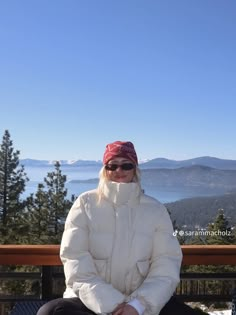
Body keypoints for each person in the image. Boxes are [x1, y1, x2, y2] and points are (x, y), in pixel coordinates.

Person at [37, 141, 205, 315]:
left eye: (126, 165)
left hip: (142, 304)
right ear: (105, 170)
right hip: (91, 301)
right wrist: (114, 305)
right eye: (112, 166)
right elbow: (75, 260)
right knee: (50, 312)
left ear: (135, 169)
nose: (119, 171)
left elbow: (166, 264)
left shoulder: (155, 210)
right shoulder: (85, 204)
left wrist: (137, 306)